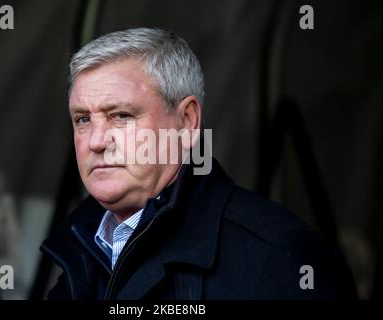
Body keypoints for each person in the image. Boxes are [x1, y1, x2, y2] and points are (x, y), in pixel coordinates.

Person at [40, 28, 357, 300]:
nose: (95, 141)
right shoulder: (80, 252)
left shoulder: (279, 255)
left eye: (120, 115)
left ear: (187, 121)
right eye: (82, 119)